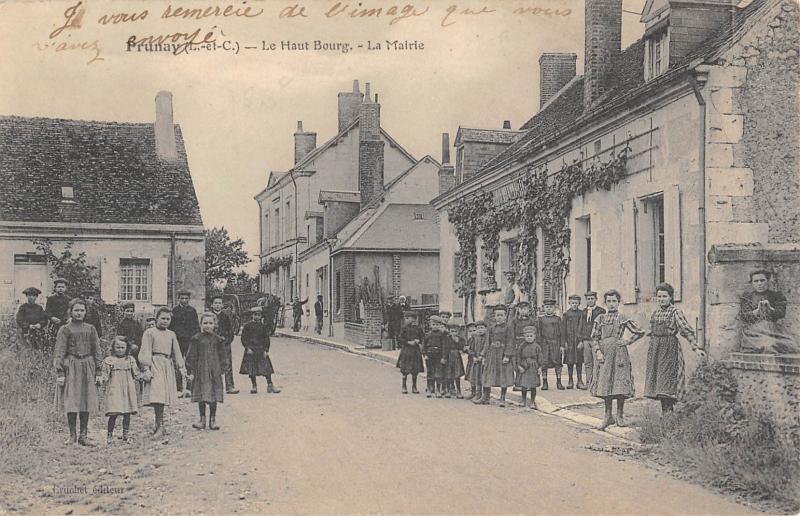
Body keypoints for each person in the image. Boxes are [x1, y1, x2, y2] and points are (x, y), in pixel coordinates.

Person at [645, 283, 705, 414]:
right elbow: (650, 331)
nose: (661, 299)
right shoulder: (655, 313)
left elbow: (687, 331)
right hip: (656, 350)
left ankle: (669, 413)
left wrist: (696, 348)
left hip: (669, 349)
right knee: (659, 383)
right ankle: (665, 413)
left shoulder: (676, 312)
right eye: (659, 296)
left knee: (668, 382)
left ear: (670, 297)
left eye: (664, 296)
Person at [590, 290, 645, 430]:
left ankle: (620, 415)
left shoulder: (622, 317)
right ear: (605, 303)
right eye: (609, 301)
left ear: (618, 303)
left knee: (619, 383)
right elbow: (594, 337)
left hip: (619, 354)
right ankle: (608, 416)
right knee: (605, 383)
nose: (611, 304)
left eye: (614, 301)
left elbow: (640, 331)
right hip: (604, 354)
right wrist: (597, 352)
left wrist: (627, 341)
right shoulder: (600, 318)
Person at [53, 298, 103, 446]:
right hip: (72, 366)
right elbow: (59, 351)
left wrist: (99, 370)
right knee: (72, 400)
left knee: (85, 400)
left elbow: (97, 350)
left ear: (85, 312)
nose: (79, 313)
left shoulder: (91, 328)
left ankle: (83, 435)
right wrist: (60, 372)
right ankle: (72, 435)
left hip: (87, 365)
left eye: (82, 310)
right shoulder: (65, 329)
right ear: (71, 312)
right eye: (76, 310)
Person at [139, 307, 187, 437]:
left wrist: (181, 367)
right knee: (157, 395)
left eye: (168, 319)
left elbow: (176, 351)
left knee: (162, 396)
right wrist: (146, 368)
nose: (165, 321)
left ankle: (160, 425)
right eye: (162, 318)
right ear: (157, 318)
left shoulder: (171, 334)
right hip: (155, 364)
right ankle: (159, 425)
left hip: (166, 364)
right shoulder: (150, 332)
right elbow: (145, 350)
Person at [738, 270, 799, 354]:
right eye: (756, 281)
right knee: (769, 346)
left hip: (773, 329)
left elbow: (781, 313)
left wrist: (770, 308)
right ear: (752, 283)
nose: (759, 283)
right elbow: (743, 316)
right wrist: (756, 311)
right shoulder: (747, 297)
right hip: (754, 331)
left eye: (762, 280)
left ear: (767, 281)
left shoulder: (776, 296)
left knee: (791, 346)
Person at [186, 312, 227, 430]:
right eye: (205, 323)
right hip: (201, 371)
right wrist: (192, 370)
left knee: (213, 395)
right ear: (200, 325)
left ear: (215, 325)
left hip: (215, 371)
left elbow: (223, 356)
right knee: (201, 395)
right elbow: (191, 356)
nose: (208, 326)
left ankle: (212, 420)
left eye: (210, 323)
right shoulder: (196, 339)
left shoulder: (218, 340)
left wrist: (222, 368)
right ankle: (202, 419)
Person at [100, 337, 142, 444]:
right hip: (115, 388)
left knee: (127, 413)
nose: (120, 349)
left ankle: (125, 434)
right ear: (113, 348)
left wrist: (144, 376)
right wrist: (100, 380)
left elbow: (136, 374)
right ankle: (109, 435)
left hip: (128, 388)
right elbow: (105, 375)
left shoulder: (130, 360)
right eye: (117, 347)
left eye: (122, 347)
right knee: (113, 413)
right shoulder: (109, 360)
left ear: (127, 348)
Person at [476, 304, 516, 406]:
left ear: (505, 316)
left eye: (501, 315)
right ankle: (485, 397)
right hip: (492, 354)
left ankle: (502, 398)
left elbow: (510, 342)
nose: (499, 317)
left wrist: (507, 355)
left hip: (502, 354)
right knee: (487, 374)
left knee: (503, 375)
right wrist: (483, 355)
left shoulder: (508, 328)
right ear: (494, 316)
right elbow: (487, 342)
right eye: (497, 315)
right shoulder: (491, 328)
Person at [240, 307, 281, 394]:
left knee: (266, 368)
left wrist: (266, 350)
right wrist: (247, 348)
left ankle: (270, 385)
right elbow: (244, 338)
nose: (257, 316)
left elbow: (266, 339)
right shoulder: (247, 326)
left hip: (261, 349)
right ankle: (254, 385)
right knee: (252, 369)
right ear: (252, 316)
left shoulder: (263, 327)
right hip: (251, 350)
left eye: (259, 315)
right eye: (255, 314)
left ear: (261, 316)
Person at [170, 290, 201, 398]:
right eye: (182, 298)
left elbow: (196, 326)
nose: (184, 300)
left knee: (189, 363)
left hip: (189, 341)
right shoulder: (174, 311)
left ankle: (189, 388)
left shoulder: (192, 311)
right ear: (178, 299)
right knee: (178, 364)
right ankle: (178, 388)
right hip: (177, 341)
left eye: (186, 298)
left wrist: (195, 338)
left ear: (189, 299)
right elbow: (171, 327)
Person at [210, 294, 239, 394]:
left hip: (224, 344)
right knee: (212, 364)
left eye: (219, 303)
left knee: (227, 364)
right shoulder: (209, 316)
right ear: (212, 305)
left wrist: (226, 341)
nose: (217, 305)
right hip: (212, 344)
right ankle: (213, 386)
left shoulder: (225, 316)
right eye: (215, 303)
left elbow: (230, 331)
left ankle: (229, 386)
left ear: (222, 305)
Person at [579, 291, 605, 390]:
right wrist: (581, 339)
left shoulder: (601, 311)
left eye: (592, 299)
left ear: (595, 299)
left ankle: (596, 383)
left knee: (596, 362)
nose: (590, 301)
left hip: (595, 340)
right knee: (587, 362)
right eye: (588, 299)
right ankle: (588, 382)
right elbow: (581, 326)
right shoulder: (584, 312)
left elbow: (602, 326)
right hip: (586, 340)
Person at [395, 310, 425, 394]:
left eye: (408, 318)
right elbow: (400, 339)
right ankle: (404, 386)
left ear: (414, 319)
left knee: (415, 369)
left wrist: (418, 341)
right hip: (406, 351)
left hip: (415, 351)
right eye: (406, 318)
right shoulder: (404, 328)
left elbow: (423, 338)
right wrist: (408, 342)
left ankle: (414, 386)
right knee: (405, 369)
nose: (406, 320)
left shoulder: (418, 329)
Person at [538, 299, 564, 390]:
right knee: (544, 363)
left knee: (557, 363)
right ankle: (545, 383)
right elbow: (539, 333)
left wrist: (562, 345)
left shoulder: (558, 319)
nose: (549, 309)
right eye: (547, 307)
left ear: (554, 308)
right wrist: (539, 345)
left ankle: (559, 382)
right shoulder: (541, 319)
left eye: (551, 307)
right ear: (544, 308)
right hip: (544, 344)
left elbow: (562, 333)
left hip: (555, 343)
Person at [516, 325, 542, 410]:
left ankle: (532, 401)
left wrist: (540, 367)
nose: (529, 338)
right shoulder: (521, 346)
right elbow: (518, 356)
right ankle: (523, 400)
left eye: (531, 336)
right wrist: (519, 366)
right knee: (524, 385)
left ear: (534, 336)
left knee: (533, 386)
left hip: (533, 367)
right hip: (524, 367)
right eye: (527, 336)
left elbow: (540, 358)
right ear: (524, 337)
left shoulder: (537, 346)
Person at [421, 316, 447, 398]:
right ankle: (429, 389)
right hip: (430, 356)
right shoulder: (427, 335)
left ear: (439, 325)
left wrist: (444, 357)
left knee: (439, 374)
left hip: (439, 357)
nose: (435, 326)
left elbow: (444, 347)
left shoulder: (442, 335)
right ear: (430, 325)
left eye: (437, 324)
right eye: (433, 324)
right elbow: (424, 345)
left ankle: (438, 390)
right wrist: (424, 354)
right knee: (430, 373)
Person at [562, 294, 583, 390]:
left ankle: (579, 380)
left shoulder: (581, 314)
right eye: (572, 303)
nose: (574, 305)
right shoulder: (566, 314)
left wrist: (581, 341)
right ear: (569, 303)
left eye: (576, 303)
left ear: (579, 303)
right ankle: (570, 380)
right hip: (569, 341)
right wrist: (564, 342)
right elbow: (563, 329)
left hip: (578, 341)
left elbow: (582, 328)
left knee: (579, 361)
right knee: (569, 361)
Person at [466, 320, 487, 401]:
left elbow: (487, 348)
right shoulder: (475, 338)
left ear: (486, 329)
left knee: (483, 377)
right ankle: (475, 393)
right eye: (478, 328)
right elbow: (470, 349)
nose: (480, 330)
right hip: (475, 361)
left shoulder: (487, 338)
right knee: (474, 376)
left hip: (484, 361)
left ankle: (484, 395)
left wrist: (483, 357)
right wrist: (473, 356)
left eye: (482, 328)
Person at [46, 278, 71, 344]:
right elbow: (47, 311)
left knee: (65, 339)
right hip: (54, 323)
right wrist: (52, 317)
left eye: (62, 287)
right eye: (59, 287)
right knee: (53, 339)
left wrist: (69, 318)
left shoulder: (68, 299)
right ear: (55, 288)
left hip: (65, 322)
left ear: (65, 288)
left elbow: (70, 310)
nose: (60, 289)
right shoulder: (51, 299)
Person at [445, 321, 466, 398]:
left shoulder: (460, 339)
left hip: (457, 357)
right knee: (448, 373)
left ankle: (459, 390)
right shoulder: (447, 339)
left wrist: (460, 347)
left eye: (456, 331)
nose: (454, 333)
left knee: (457, 374)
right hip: (449, 357)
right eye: (452, 331)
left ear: (458, 331)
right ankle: (448, 389)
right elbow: (445, 348)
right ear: (449, 331)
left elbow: (462, 347)